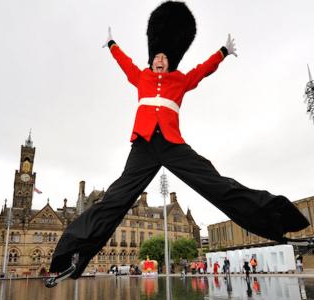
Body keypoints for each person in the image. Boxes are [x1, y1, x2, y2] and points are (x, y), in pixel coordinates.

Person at [46, 1, 309, 287]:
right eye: (156, 57)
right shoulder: (142, 76)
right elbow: (125, 64)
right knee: (115, 200)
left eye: (164, 57)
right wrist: (111, 44)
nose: (160, 60)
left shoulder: (180, 81)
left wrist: (222, 52)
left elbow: (202, 70)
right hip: (144, 146)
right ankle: (73, 254)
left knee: (216, 183)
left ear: (171, 60)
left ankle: (274, 219)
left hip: (172, 144)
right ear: (152, 58)